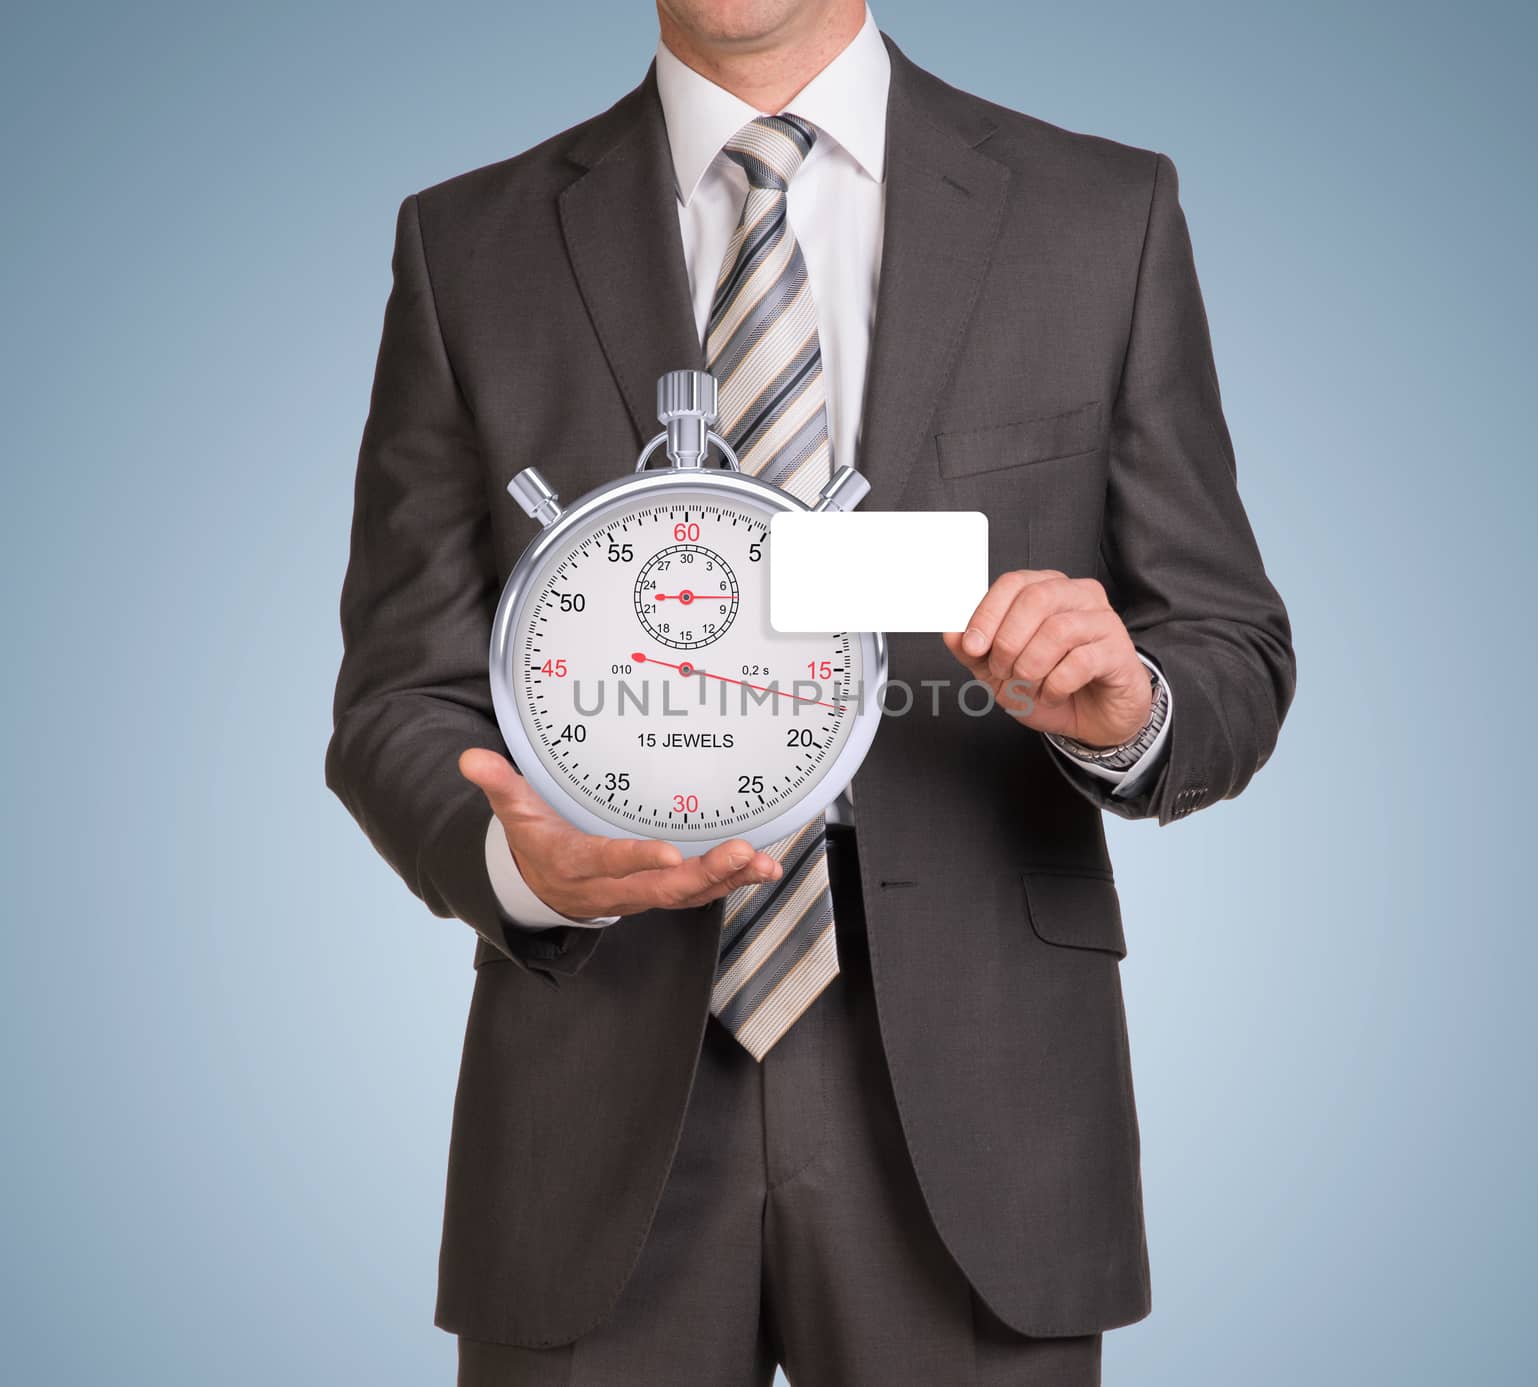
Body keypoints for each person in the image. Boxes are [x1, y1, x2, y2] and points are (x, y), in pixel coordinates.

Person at [325, 2, 1295, 1382]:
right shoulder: (468, 245)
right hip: (593, 1091)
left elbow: (1229, 644)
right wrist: (519, 863)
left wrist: (1133, 706)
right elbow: (395, 697)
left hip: (980, 1105)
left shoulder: (1101, 215)